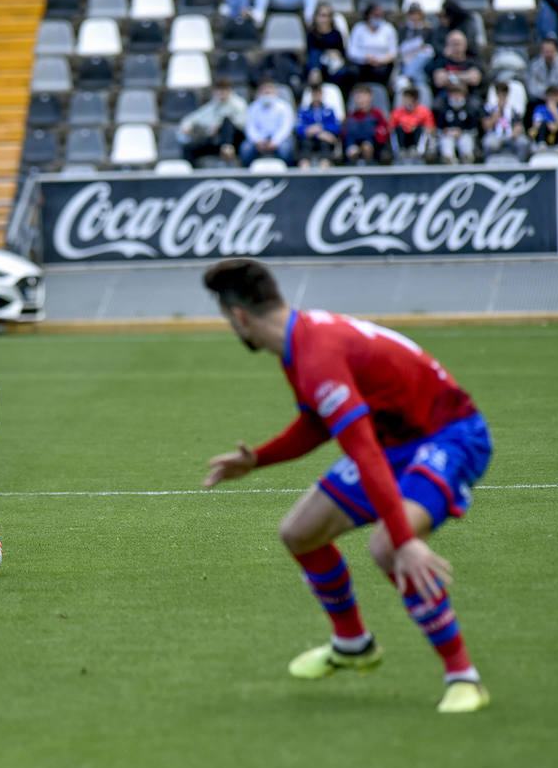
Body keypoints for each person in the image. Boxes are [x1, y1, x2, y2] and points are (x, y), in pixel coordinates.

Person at [201, 258, 492, 714]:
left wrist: (405, 540)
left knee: (390, 548)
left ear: (239, 317)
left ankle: (464, 677)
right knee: (300, 532)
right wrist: (258, 459)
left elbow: (364, 452)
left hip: (451, 436)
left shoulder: (315, 353)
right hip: (399, 441)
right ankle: (353, 644)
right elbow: (317, 424)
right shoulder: (298, 342)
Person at [178, 77, 247, 163]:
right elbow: (193, 118)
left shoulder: (239, 104)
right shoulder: (213, 105)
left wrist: (219, 126)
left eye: (224, 90)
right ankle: (194, 174)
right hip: (217, 141)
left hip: (236, 142)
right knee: (189, 148)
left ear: (230, 91)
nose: (221, 93)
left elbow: (242, 124)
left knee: (226, 122)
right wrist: (187, 126)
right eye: (219, 90)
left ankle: (227, 148)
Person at [240, 80, 296, 165]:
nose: (267, 95)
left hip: (280, 139)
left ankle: (287, 175)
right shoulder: (253, 107)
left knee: (285, 149)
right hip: (259, 139)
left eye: (269, 92)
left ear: (275, 93)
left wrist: (275, 141)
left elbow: (286, 127)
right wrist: (258, 140)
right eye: (264, 93)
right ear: (259, 94)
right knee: (245, 149)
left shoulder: (284, 107)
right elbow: (250, 127)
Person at [347, 3, 397, 89]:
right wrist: (365, 57)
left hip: (382, 64)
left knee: (382, 72)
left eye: (380, 15)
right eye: (375, 15)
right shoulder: (358, 28)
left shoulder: (388, 29)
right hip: (362, 63)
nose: (378, 18)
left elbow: (393, 52)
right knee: (352, 72)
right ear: (368, 15)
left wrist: (380, 61)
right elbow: (351, 51)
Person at [341, 85, 390, 165]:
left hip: (372, 146)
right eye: (358, 97)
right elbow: (344, 134)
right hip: (353, 145)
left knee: (367, 146)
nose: (360, 100)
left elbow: (384, 133)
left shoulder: (377, 114)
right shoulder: (351, 116)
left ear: (370, 97)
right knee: (352, 149)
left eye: (363, 97)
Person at [295, 82, 340, 168]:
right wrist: (318, 133)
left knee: (325, 144)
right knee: (305, 144)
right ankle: (304, 171)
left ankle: (324, 169)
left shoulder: (329, 111)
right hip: (308, 140)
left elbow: (336, 127)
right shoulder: (304, 111)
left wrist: (321, 128)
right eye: (314, 94)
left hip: (324, 141)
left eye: (318, 94)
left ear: (322, 95)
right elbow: (298, 128)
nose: (316, 96)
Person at [481, 81, 529, 161]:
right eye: (499, 94)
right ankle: (487, 167)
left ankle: (521, 166)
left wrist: (515, 132)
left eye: (504, 94)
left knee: (523, 143)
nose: (502, 96)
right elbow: (487, 126)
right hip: (495, 135)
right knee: (488, 143)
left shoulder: (514, 109)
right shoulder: (489, 108)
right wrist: (498, 110)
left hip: (511, 135)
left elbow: (518, 125)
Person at [396, 2, 437, 92]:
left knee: (422, 56)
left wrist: (421, 48)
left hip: (423, 58)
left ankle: (407, 76)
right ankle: (420, 89)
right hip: (408, 57)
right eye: (412, 14)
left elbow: (431, 48)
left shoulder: (428, 29)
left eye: (417, 14)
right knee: (419, 75)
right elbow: (400, 48)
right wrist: (414, 47)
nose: (415, 17)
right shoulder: (404, 29)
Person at [435, 85, 481, 164]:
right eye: (453, 94)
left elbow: (474, 130)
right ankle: (448, 160)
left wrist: (461, 132)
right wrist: (446, 131)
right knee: (446, 142)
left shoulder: (469, 110)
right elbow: (439, 129)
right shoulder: (444, 109)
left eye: (458, 94)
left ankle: (467, 158)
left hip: (464, 135)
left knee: (465, 140)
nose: (456, 97)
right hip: (448, 136)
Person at [429, 30, 483, 96]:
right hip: (445, 97)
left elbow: (475, 79)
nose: (457, 48)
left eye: (459, 44)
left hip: (468, 97)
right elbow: (439, 80)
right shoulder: (441, 61)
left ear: (465, 45)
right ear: (447, 45)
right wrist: (465, 76)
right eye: (454, 44)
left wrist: (449, 76)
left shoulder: (472, 61)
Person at [390, 86, 436, 163]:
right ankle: (400, 151)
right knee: (398, 129)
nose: (405, 101)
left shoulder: (424, 111)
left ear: (415, 100)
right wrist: (407, 128)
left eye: (408, 99)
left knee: (420, 129)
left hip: (417, 138)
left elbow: (430, 128)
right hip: (403, 138)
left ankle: (417, 151)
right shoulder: (397, 112)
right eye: (404, 99)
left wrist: (414, 127)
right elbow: (390, 128)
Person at [305, 4, 347, 88]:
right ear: (316, 17)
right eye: (322, 16)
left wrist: (336, 53)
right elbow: (310, 51)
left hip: (333, 63)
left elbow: (342, 52)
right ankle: (315, 78)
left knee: (343, 72)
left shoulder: (336, 34)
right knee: (315, 55)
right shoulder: (311, 34)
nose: (325, 19)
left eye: (328, 16)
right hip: (317, 62)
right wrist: (326, 52)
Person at [529, 86, 558, 159]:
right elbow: (536, 124)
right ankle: (541, 145)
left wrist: (554, 111)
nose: (552, 99)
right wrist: (549, 125)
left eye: (555, 96)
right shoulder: (540, 108)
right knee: (543, 125)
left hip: (557, 134)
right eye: (550, 96)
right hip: (543, 133)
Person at [526, 37, 558, 102]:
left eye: (551, 51)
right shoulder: (534, 64)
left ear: (557, 50)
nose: (548, 54)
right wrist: (548, 95)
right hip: (541, 96)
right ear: (541, 52)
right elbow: (532, 87)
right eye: (546, 52)